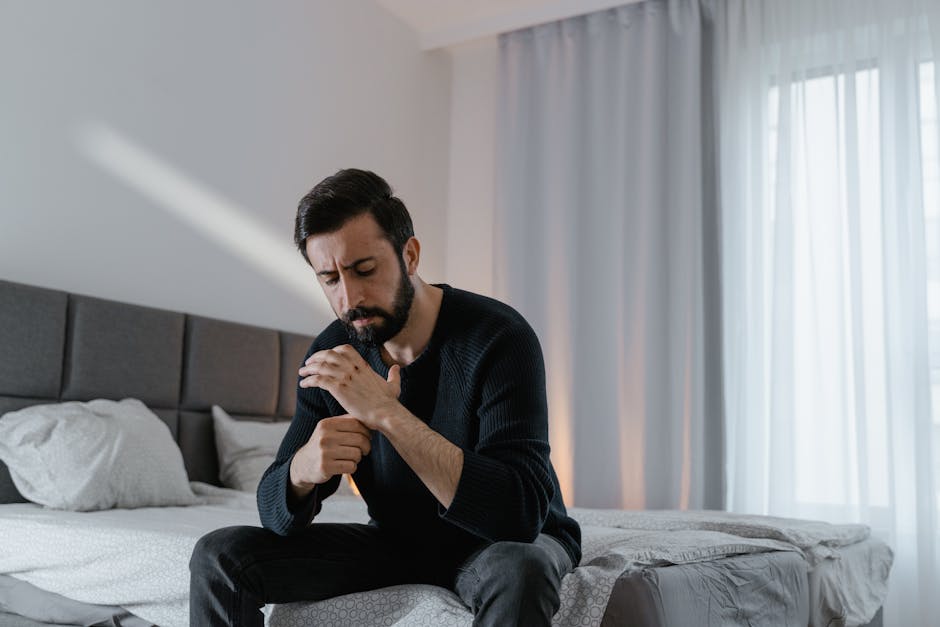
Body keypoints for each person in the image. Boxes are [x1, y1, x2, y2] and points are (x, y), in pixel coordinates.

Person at [189, 168, 581, 626]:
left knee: (522, 567)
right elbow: (275, 518)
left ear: (409, 255)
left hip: (497, 546)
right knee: (219, 556)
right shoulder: (333, 352)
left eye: (364, 270)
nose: (349, 297)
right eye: (329, 279)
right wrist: (302, 470)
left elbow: (517, 517)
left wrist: (386, 413)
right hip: (396, 543)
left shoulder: (499, 337)